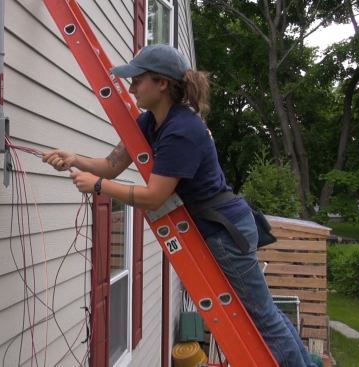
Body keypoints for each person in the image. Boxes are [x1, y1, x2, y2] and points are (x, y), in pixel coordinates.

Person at [42, 44, 316, 367]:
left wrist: (99, 187)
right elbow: (112, 163)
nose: (131, 88)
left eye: (137, 80)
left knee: (262, 318)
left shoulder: (182, 130)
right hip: (221, 226)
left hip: (225, 232)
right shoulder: (151, 122)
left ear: (161, 84)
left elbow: (155, 196)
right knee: (263, 312)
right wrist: (75, 159)